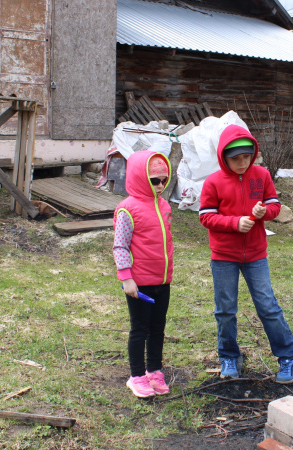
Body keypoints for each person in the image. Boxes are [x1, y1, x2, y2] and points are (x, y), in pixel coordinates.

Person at [198, 124, 293, 384]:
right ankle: (229, 356)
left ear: (253, 153)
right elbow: (205, 216)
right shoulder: (213, 181)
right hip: (223, 256)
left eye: (246, 157)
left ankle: (288, 357)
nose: (242, 163)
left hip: (256, 254)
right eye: (236, 159)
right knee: (225, 310)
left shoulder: (262, 175)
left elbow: (274, 205)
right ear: (224, 157)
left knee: (268, 306)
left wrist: (263, 213)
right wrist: (235, 222)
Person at [113, 150, 174, 398]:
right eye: (154, 180)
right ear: (140, 177)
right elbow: (120, 245)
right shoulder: (127, 209)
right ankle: (136, 375)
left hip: (162, 281)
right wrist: (126, 277)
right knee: (140, 329)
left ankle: (154, 370)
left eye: (164, 179)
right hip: (139, 284)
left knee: (157, 328)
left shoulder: (165, 205)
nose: (160, 186)